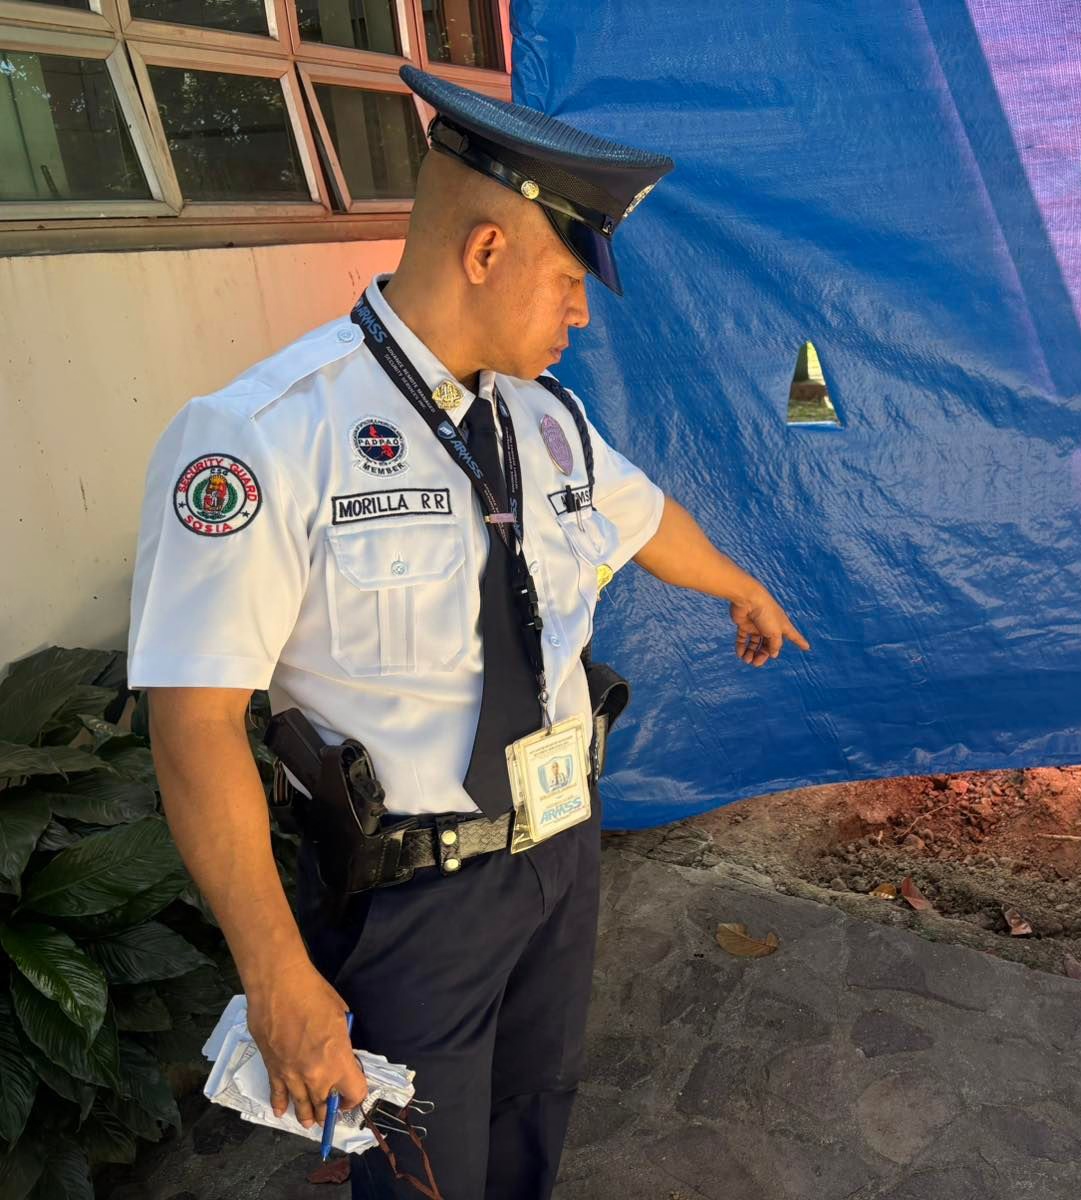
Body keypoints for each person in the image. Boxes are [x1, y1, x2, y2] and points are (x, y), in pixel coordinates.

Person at [129, 65, 809, 1199]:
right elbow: (193, 722)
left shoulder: (546, 420)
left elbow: (643, 517)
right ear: (485, 251)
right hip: (413, 902)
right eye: (569, 279)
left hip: (559, 858)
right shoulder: (265, 437)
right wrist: (277, 976)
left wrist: (738, 586)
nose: (582, 312)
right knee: (423, 1176)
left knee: (531, 1129)